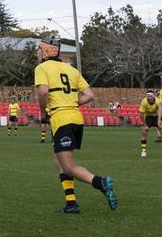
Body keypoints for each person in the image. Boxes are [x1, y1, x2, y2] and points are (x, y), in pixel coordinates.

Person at [33, 37, 117, 214]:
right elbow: (89, 95)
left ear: (46, 51)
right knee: (59, 161)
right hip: (76, 118)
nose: (37, 53)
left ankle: (100, 182)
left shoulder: (41, 68)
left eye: (39, 50)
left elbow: (42, 91)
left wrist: (43, 112)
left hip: (61, 119)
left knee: (69, 166)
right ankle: (71, 203)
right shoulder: (70, 70)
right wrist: (71, 102)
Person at [138, 91, 160, 158]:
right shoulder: (144, 101)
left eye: (151, 96)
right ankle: (143, 151)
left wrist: (160, 121)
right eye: (148, 97)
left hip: (156, 116)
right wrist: (144, 125)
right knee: (144, 132)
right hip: (148, 117)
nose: (149, 98)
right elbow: (141, 114)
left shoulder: (158, 101)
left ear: (153, 96)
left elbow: (161, 112)